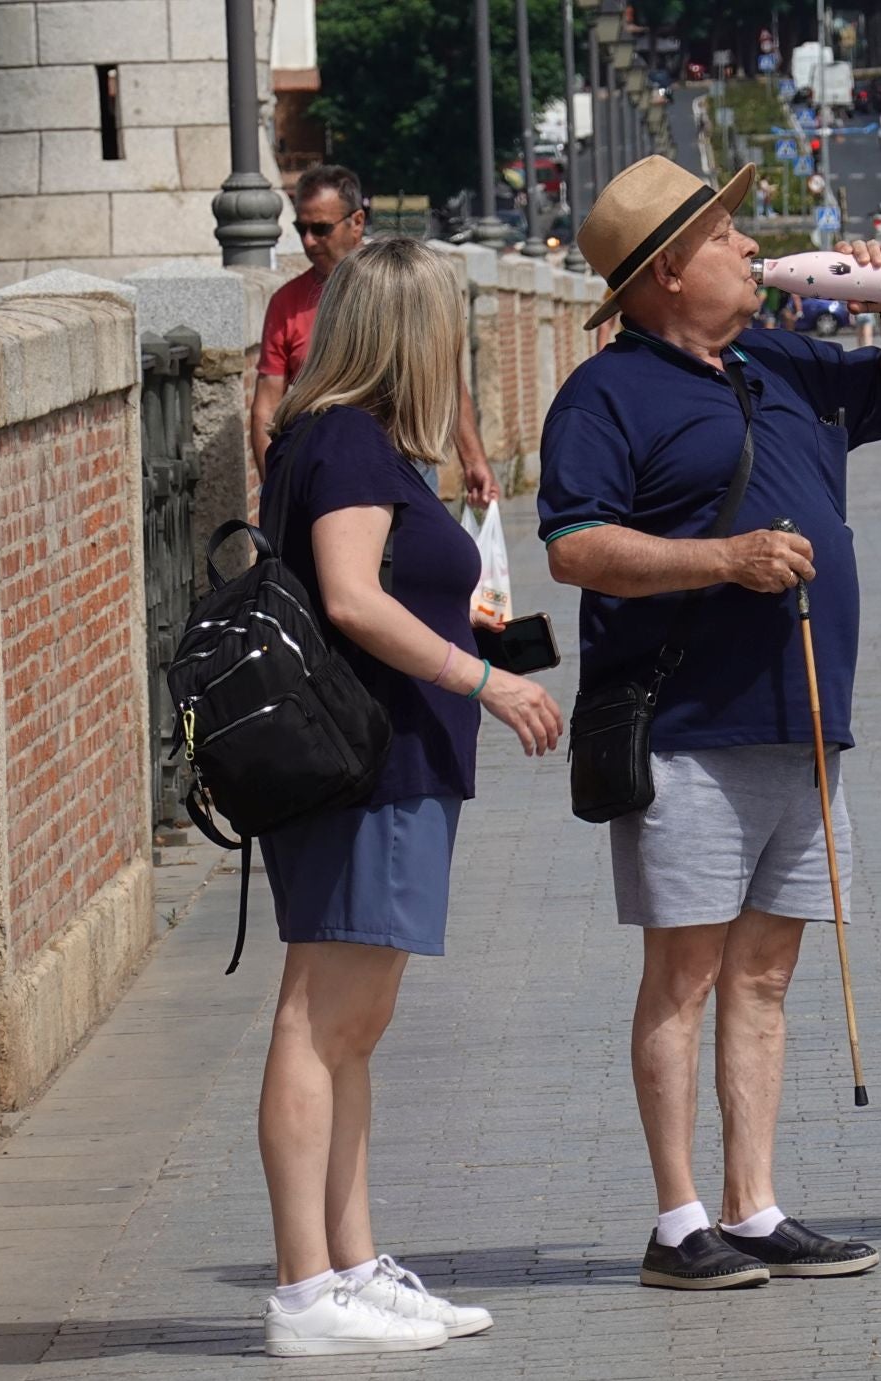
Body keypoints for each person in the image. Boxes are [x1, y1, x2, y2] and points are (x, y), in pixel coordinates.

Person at [538, 155, 881, 1290]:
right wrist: (726, 558)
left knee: (765, 974)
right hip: (687, 728)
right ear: (667, 271)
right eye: (726, 237)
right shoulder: (605, 394)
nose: (751, 250)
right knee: (686, 973)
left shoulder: (781, 358)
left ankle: (755, 1205)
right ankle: (679, 1219)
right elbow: (573, 543)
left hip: (805, 721)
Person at [253, 237, 564, 1355]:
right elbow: (347, 598)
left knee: (354, 1027)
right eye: (450, 330)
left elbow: (387, 588)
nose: (460, 353)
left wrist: (459, 625)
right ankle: (304, 1291)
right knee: (320, 1016)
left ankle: (350, 1264)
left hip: (394, 760)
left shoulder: (356, 441)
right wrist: (485, 679)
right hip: (366, 764)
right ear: (410, 335)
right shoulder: (344, 443)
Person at [251, 164, 499, 506]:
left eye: (320, 228)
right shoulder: (286, 303)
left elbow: (446, 378)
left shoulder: (399, 285)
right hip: (326, 470)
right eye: (301, 228)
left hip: (406, 460)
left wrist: (473, 460)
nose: (308, 240)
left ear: (357, 222)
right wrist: (276, 488)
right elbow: (266, 407)